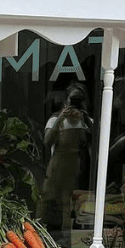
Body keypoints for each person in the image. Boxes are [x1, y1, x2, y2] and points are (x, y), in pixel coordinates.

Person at [40, 84, 92, 231]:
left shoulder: (86, 121)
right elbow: (46, 141)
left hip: (76, 171)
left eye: (79, 100)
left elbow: (95, 143)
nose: (75, 104)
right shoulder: (55, 120)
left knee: (71, 207)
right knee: (49, 204)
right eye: (73, 99)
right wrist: (61, 118)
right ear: (65, 101)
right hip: (56, 170)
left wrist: (85, 116)